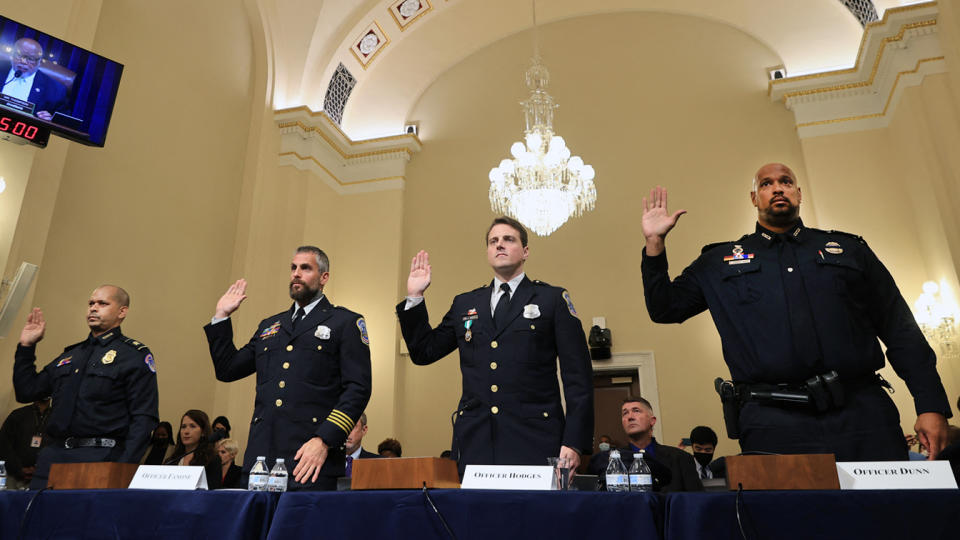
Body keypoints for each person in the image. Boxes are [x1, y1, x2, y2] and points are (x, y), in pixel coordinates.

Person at [640, 163, 953, 461]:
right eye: (767, 184)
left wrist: (930, 404)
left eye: (785, 182)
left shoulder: (848, 250)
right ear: (754, 198)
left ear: (799, 194)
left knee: (888, 511)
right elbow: (665, 307)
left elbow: (899, 328)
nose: (777, 188)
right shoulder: (718, 261)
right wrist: (655, 244)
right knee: (788, 516)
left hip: (861, 412)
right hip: (772, 422)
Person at [397, 216, 594, 475]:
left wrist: (574, 442)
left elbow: (578, 376)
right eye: (493, 241)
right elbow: (424, 352)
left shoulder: (551, 299)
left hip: (536, 439)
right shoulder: (465, 304)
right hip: (477, 440)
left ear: (525, 251)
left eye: (508, 239)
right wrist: (415, 296)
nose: (499, 245)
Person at [204, 246, 372, 491]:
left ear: (324, 278)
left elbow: (358, 388)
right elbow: (228, 369)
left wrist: (325, 440)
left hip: (310, 458)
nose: (296, 273)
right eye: (293, 267)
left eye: (305, 268)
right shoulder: (271, 326)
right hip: (262, 458)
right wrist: (221, 317)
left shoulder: (344, 322)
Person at [13, 285, 159, 489]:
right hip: (53, 457)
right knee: (37, 519)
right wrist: (26, 348)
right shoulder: (71, 355)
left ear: (122, 311)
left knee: (85, 520)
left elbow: (144, 417)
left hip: (100, 457)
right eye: (91, 303)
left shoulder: (133, 355)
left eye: (102, 303)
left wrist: (124, 466)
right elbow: (26, 391)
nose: (93, 308)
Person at [588, 397, 702, 492]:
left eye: (636, 411)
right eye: (625, 413)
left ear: (652, 420)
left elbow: (696, 502)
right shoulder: (610, 461)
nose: (630, 417)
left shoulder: (680, 458)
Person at [0, 38, 67, 120]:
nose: (23, 61)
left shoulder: (56, 90)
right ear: (12, 55)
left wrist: (50, 120)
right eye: (19, 55)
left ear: (40, 62)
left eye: (30, 59)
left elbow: (62, 123)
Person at [0, 398, 51, 489]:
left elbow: (61, 447)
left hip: (46, 479)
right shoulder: (17, 415)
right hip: (14, 478)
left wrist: (42, 470)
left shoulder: (58, 417)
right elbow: (4, 445)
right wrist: (18, 468)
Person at [164, 410, 221, 489]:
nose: (186, 431)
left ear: (203, 432)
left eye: (192, 426)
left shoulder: (212, 460)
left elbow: (213, 492)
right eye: (183, 427)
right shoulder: (172, 460)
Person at [344, 413, 378, 477]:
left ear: (364, 430)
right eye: (344, 426)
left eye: (352, 426)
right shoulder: (326, 462)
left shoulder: (377, 463)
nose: (347, 431)